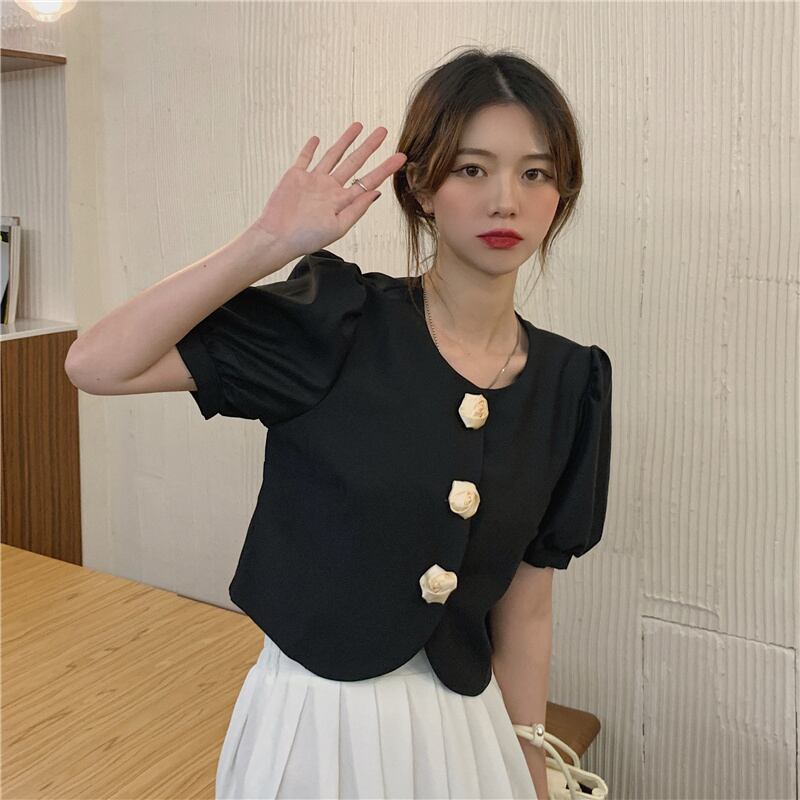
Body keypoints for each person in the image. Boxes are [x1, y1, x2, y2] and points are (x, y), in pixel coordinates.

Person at [65, 46, 612, 800]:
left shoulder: (569, 381)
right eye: (472, 169)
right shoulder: (338, 320)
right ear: (421, 186)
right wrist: (266, 242)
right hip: (314, 725)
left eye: (536, 173)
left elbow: (527, 606)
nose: (505, 202)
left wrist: (531, 770)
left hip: (464, 729)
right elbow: (97, 364)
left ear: (562, 193)